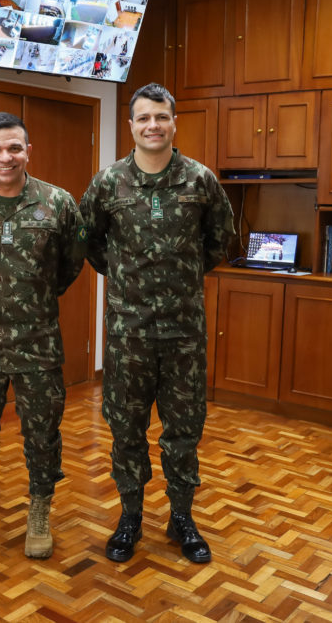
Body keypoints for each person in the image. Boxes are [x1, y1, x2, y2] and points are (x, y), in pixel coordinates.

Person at [79, 83, 234, 564]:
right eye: (144, 117)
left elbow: (220, 240)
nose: (153, 125)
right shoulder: (108, 183)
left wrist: (179, 280)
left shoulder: (200, 180)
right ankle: (130, 516)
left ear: (173, 122)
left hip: (184, 334)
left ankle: (182, 516)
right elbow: (92, 244)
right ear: (130, 125)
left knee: (183, 432)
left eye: (161, 117)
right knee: (126, 429)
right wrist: (130, 279)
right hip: (128, 336)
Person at [0, 112, 85, 560]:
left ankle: (39, 513)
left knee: (43, 435)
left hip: (39, 344)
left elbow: (69, 264)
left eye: (13, 148)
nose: (4, 157)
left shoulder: (58, 203)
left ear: (29, 150)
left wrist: (34, 299)